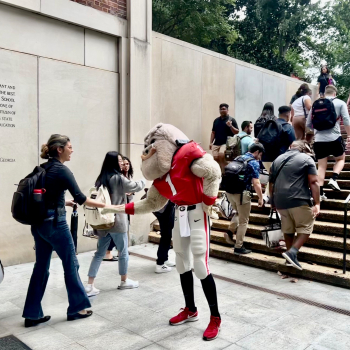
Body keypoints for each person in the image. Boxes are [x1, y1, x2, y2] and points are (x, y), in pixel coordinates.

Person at [22, 134, 110, 327]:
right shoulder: (62, 170)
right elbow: (82, 198)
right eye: (70, 147)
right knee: (71, 264)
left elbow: (47, 196)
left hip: (39, 225)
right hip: (56, 224)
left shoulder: (42, 168)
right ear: (60, 149)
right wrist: (108, 206)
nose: (72, 150)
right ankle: (77, 308)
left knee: (41, 267)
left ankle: (32, 314)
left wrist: (65, 202)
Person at [85, 152, 145, 296]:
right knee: (123, 252)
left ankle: (89, 285)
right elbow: (135, 186)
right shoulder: (118, 178)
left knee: (99, 253)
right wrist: (145, 178)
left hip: (103, 221)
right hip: (117, 221)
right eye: (119, 160)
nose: (121, 162)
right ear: (113, 162)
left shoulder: (102, 178)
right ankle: (124, 281)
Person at [269, 140, 320, 270]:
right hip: (298, 199)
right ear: (303, 149)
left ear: (290, 147)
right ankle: (292, 252)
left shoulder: (277, 159)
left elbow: (271, 183)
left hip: (280, 201)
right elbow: (313, 182)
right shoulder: (306, 159)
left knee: (288, 229)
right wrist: (317, 203)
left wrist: (273, 201)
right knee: (306, 227)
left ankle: (289, 259)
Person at [306, 85, 350, 200]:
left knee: (321, 167)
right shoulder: (340, 103)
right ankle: (334, 179)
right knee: (340, 159)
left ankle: (320, 194)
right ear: (335, 93)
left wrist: (317, 131)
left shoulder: (316, 104)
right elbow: (346, 120)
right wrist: (349, 135)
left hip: (319, 140)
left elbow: (308, 124)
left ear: (325, 93)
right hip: (335, 138)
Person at [224, 143, 265, 254]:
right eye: (260, 155)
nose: (260, 157)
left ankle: (230, 231)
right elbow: (256, 183)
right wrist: (261, 198)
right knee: (244, 221)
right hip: (242, 194)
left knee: (238, 213)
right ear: (256, 152)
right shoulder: (253, 162)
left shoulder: (238, 158)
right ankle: (238, 246)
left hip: (230, 192)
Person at [260, 106, 296, 203]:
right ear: (288, 114)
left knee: (273, 178)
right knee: (279, 180)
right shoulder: (287, 126)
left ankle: (267, 197)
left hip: (265, 158)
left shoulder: (269, 124)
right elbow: (294, 144)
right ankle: (270, 199)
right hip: (279, 159)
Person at [104, 155, 135, 261]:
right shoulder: (118, 177)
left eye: (127, 164)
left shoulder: (128, 177)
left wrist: (130, 194)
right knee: (116, 230)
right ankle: (107, 252)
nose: (125, 166)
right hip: (118, 208)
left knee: (123, 228)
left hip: (126, 207)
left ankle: (119, 250)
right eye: (123, 163)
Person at [210, 103, 239, 173]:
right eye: (221, 109)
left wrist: (231, 126)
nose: (222, 111)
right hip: (217, 142)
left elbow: (237, 132)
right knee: (215, 157)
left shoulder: (231, 120)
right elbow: (213, 132)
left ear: (227, 110)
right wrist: (211, 142)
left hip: (227, 143)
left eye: (224, 109)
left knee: (221, 155)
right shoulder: (216, 120)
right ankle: (219, 172)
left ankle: (225, 173)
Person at [153, 201, 176, 273]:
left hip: (164, 207)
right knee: (166, 236)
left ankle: (164, 259)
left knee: (166, 235)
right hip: (164, 207)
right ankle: (160, 264)